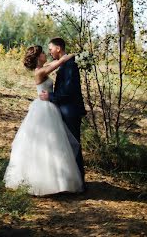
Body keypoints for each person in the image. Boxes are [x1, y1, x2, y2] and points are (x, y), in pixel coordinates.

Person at [4, 44, 84, 196]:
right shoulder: (40, 72)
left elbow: (53, 63)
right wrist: (69, 56)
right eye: (42, 53)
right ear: (37, 57)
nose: (46, 54)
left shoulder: (43, 67)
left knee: (53, 143)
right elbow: (58, 63)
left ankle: (57, 179)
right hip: (43, 108)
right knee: (45, 143)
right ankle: (43, 181)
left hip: (49, 107)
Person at [39, 38, 86, 189]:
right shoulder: (65, 64)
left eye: (51, 48)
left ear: (58, 48)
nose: (50, 51)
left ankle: (78, 184)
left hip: (70, 112)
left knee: (74, 146)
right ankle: (69, 182)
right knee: (66, 147)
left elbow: (68, 92)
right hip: (64, 110)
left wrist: (50, 97)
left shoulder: (70, 66)